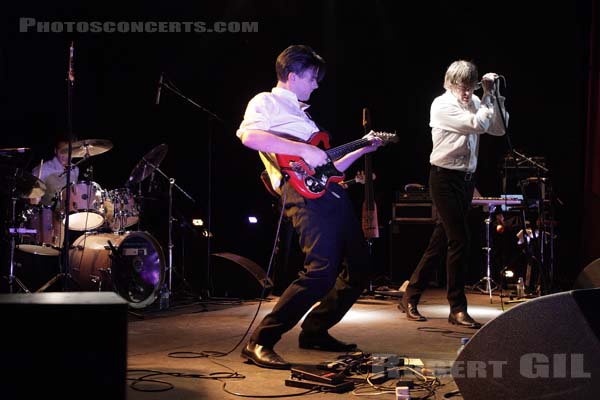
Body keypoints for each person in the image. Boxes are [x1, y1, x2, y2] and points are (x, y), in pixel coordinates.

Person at [236, 44, 383, 369]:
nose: (317, 84)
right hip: (299, 193)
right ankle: (260, 340)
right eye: (313, 77)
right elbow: (249, 137)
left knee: (359, 267)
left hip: (331, 192)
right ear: (292, 75)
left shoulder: (305, 116)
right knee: (321, 270)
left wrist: (364, 148)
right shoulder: (267, 101)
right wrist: (302, 151)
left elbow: (332, 168)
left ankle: (315, 330)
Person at [398, 60, 508, 329]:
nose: (467, 92)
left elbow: (498, 128)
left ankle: (410, 295)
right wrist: (486, 99)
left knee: (441, 241)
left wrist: (495, 96)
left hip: (466, 180)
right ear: (450, 83)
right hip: (444, 179)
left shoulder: (477, 101)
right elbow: (478, 125)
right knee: (459, 240)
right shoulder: (441, 104)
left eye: (471, 86)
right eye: (462, 86)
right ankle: (457, 308)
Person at [31, 139, 79, 206]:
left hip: (69, 212)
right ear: (55, 151)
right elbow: (30, 194)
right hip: (48, 212)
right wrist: (34, 197)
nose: (64, 155)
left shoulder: (75, 169)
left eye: (67, 151)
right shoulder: (43, 168)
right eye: (61, 151)